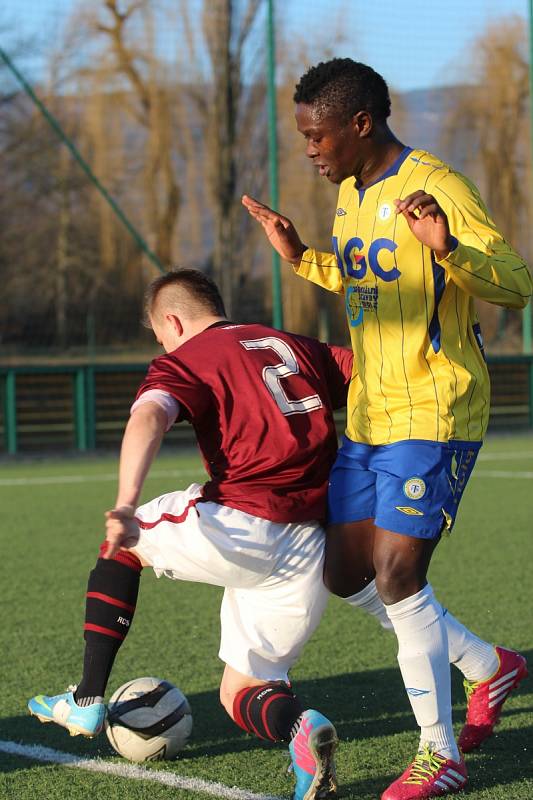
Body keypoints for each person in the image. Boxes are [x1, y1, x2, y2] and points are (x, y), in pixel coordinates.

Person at [242, 58, 531, 800]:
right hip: (368, 415)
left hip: (434, 409)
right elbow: (371, 281)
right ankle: (487, 667)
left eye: (317, 134)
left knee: (398, 574)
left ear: (360, 124)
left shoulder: (436, 185)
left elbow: (516, 283)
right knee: (343, 575)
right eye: (303, 135)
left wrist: (449, 248)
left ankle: (441, 754)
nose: (309, 148)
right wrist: (302, 256)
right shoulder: (348, 193)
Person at [28, 268, 355, 800]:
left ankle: (86, 698)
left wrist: (125, 504)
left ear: (173, 321)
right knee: (243, 690)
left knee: (125, 543)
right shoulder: (291, 344)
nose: (161, 343)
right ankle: (302, 725)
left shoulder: (187, 358)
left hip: (243, 522)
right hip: (312, 545)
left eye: (159, 334)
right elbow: (372, 376)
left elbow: (150, 417)